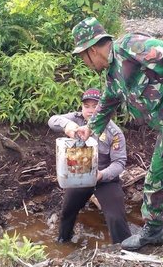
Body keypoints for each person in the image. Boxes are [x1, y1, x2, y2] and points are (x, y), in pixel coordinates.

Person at [70, 17, 163, 251]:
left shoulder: (129, 46)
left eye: (83, 57)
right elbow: (108, 100)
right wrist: (90, 128)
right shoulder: (113, 74)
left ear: (91, 50)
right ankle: (153, 233)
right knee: (155, 182)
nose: (85, 62)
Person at [48, 88, 131, 244]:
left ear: (103, 108)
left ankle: (124, 251)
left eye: (96, 106)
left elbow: (119, 163)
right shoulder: (76, 119)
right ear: (82, 107)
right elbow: (52, 120)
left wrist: (101, 175)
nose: (91, 110)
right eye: (87, 106)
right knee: (67, 212)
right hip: (79, 175)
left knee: (116, 217)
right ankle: (63, 242)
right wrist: (69, 128)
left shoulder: (114, 132)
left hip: (104, 179)